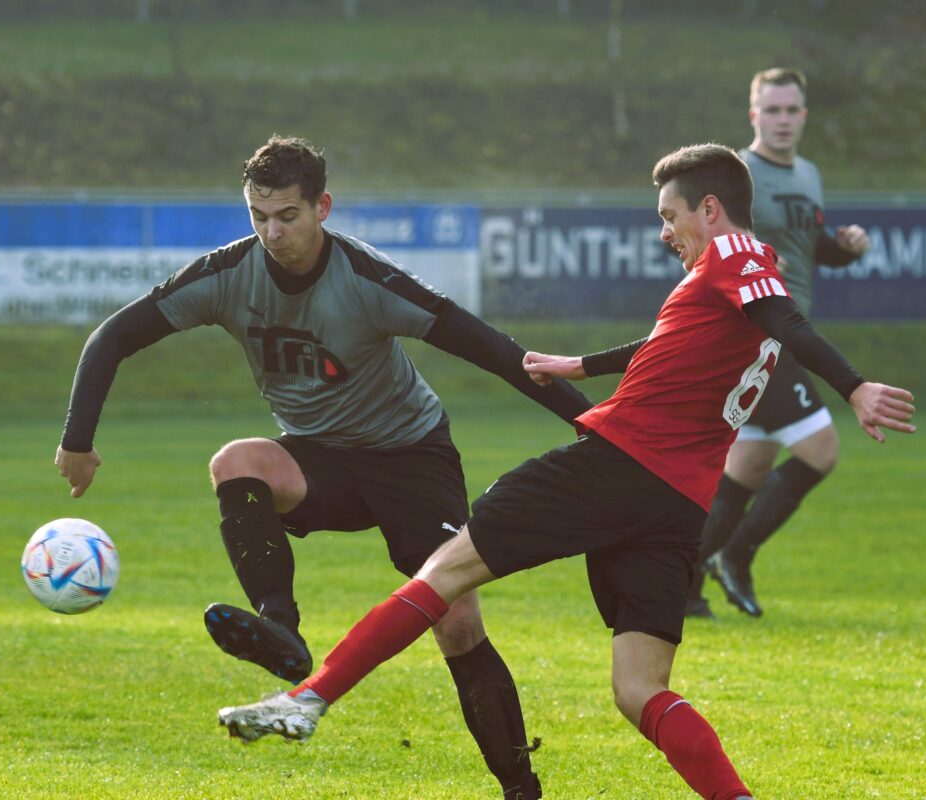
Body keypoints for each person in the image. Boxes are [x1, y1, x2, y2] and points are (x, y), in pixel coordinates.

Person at [216, 143, 916, 800]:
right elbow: (677, 340)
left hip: (617, 467)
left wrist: (853, 387)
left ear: (710, 208)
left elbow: (788, 323)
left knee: (443, 572)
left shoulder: (733, 251)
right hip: (679, 502)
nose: (667, 233)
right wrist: (579, 366)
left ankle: (307, 701)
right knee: (640, 689)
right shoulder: (734, 273)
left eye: (671, 217)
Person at [55, 135, 593, 800]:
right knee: (237, 462)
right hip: (320, 460)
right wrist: (78, 438)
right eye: (258, 215)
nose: (271, 232)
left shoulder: (370, 281)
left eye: (287, 216)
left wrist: (590, 419)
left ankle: (520, 785)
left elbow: (492, 350)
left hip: (410, 457)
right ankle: (280, 627)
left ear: (323, 208)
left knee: (456, 624)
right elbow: (113, 336)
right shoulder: (226, 275)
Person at [688, 68, 872, 619]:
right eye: (772, 111)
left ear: (804, 115)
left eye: (792, 110)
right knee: (820, 450)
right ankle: (735, 556)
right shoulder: (736, 176)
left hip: (786, 330)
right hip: (755, 333)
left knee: (747, 467)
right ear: (754, 116)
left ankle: (686, 582)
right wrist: (754, 260)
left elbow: (807, 245)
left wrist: (844, 248)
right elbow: (704, 244)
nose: (783, 120)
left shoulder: (809, 174)